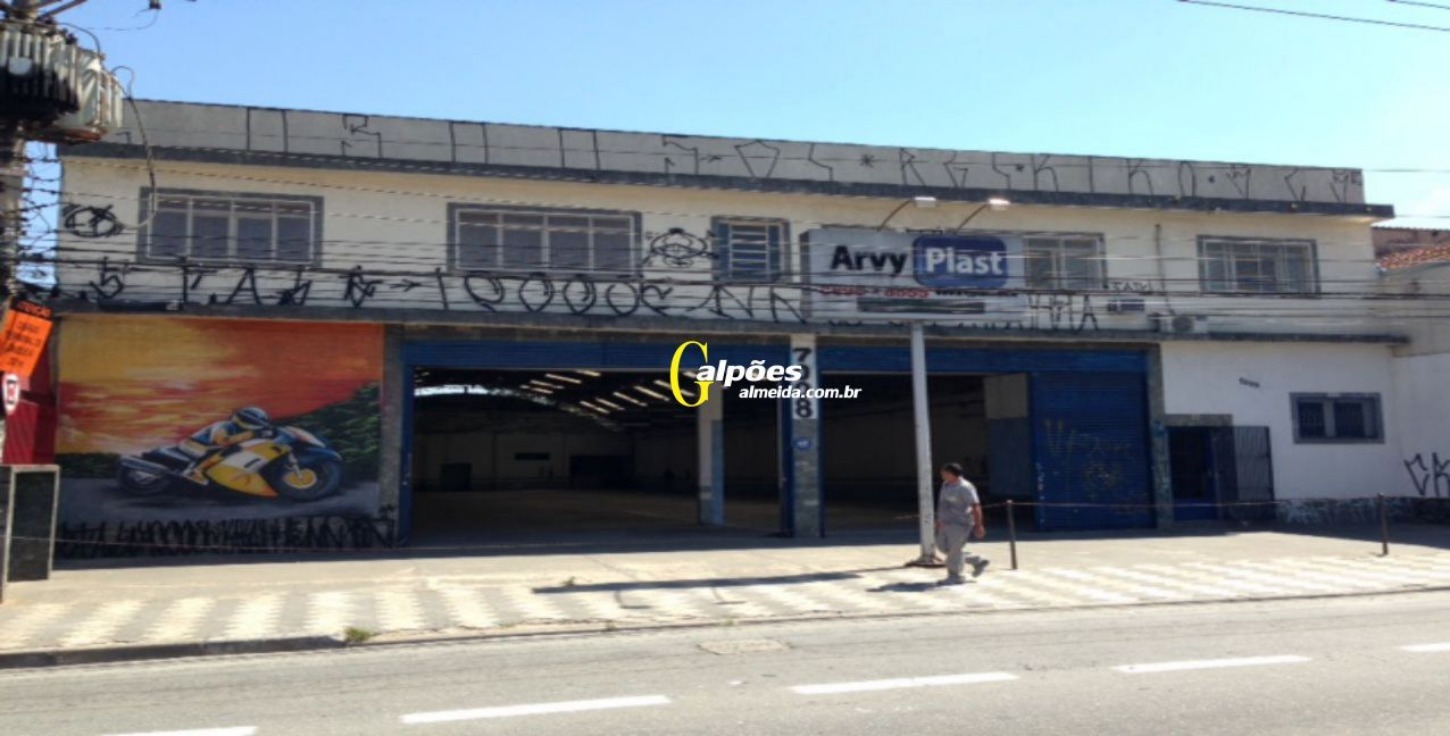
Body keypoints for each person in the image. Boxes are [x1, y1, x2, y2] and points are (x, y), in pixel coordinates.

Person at [179, 406, 276, 485]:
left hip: (208, 447)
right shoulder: (226, 425)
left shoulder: (241, 430)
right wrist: (251, 434)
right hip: (195, 445)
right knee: (228, 450)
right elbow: (222, 441)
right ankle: (194, 471)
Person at [935, 462, 990, 586]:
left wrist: (979, 525)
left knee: (954, 550)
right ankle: (977, 560)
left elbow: (975, 506)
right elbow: (942, 503)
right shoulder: (945, 484)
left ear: (953, 474)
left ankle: (955, 576)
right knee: (942, 547)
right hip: (945, 522)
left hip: (960, 523)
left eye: (945, 473)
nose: (942, 475)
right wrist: (939, 519)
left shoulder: (965, 487)